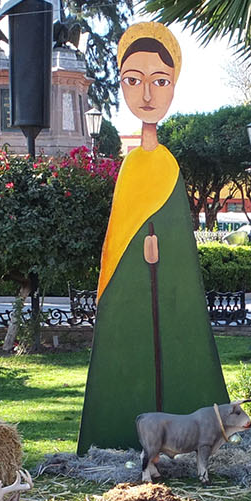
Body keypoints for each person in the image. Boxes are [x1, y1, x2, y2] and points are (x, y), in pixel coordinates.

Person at [78, 22, 230, 454]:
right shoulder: (130, 168)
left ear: (173, 86)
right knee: (132, 347)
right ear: (122, 85)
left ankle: (184, 431)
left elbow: (177, 234)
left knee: (175, 344)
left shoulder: (169, 164)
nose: (147, 95)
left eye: (159, 82)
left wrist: (163, 251)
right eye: (134, 81)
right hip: (129, 286)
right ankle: (119, 428)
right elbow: (118, 234)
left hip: (171, 290)